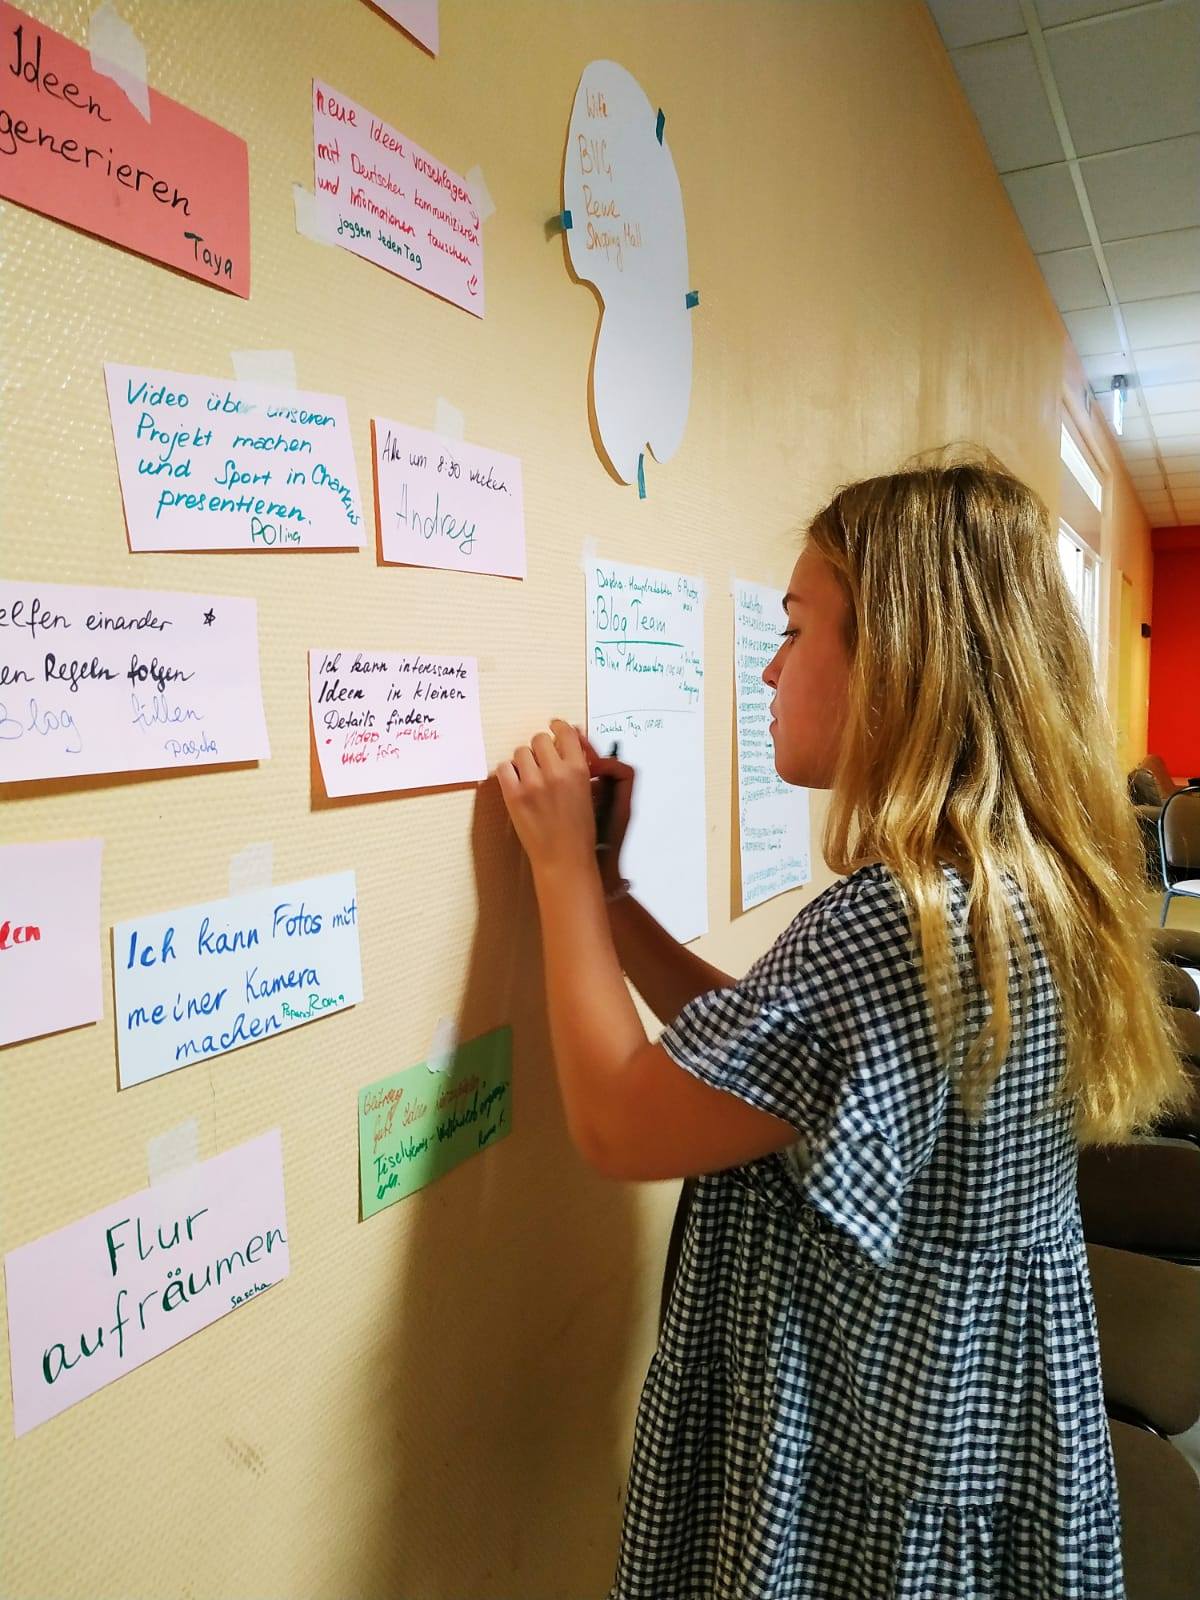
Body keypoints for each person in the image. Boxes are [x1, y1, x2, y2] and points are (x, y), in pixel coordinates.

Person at [494, 456, 1186, 1600]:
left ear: (898, 662)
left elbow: (623, 1120)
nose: (770, 667)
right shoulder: (1007, 887)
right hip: (969, 1422)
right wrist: (611, 899)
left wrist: (562, 868)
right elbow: (766, 1069)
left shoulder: (897, 921)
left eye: (794, 629)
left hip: (877, 1447)